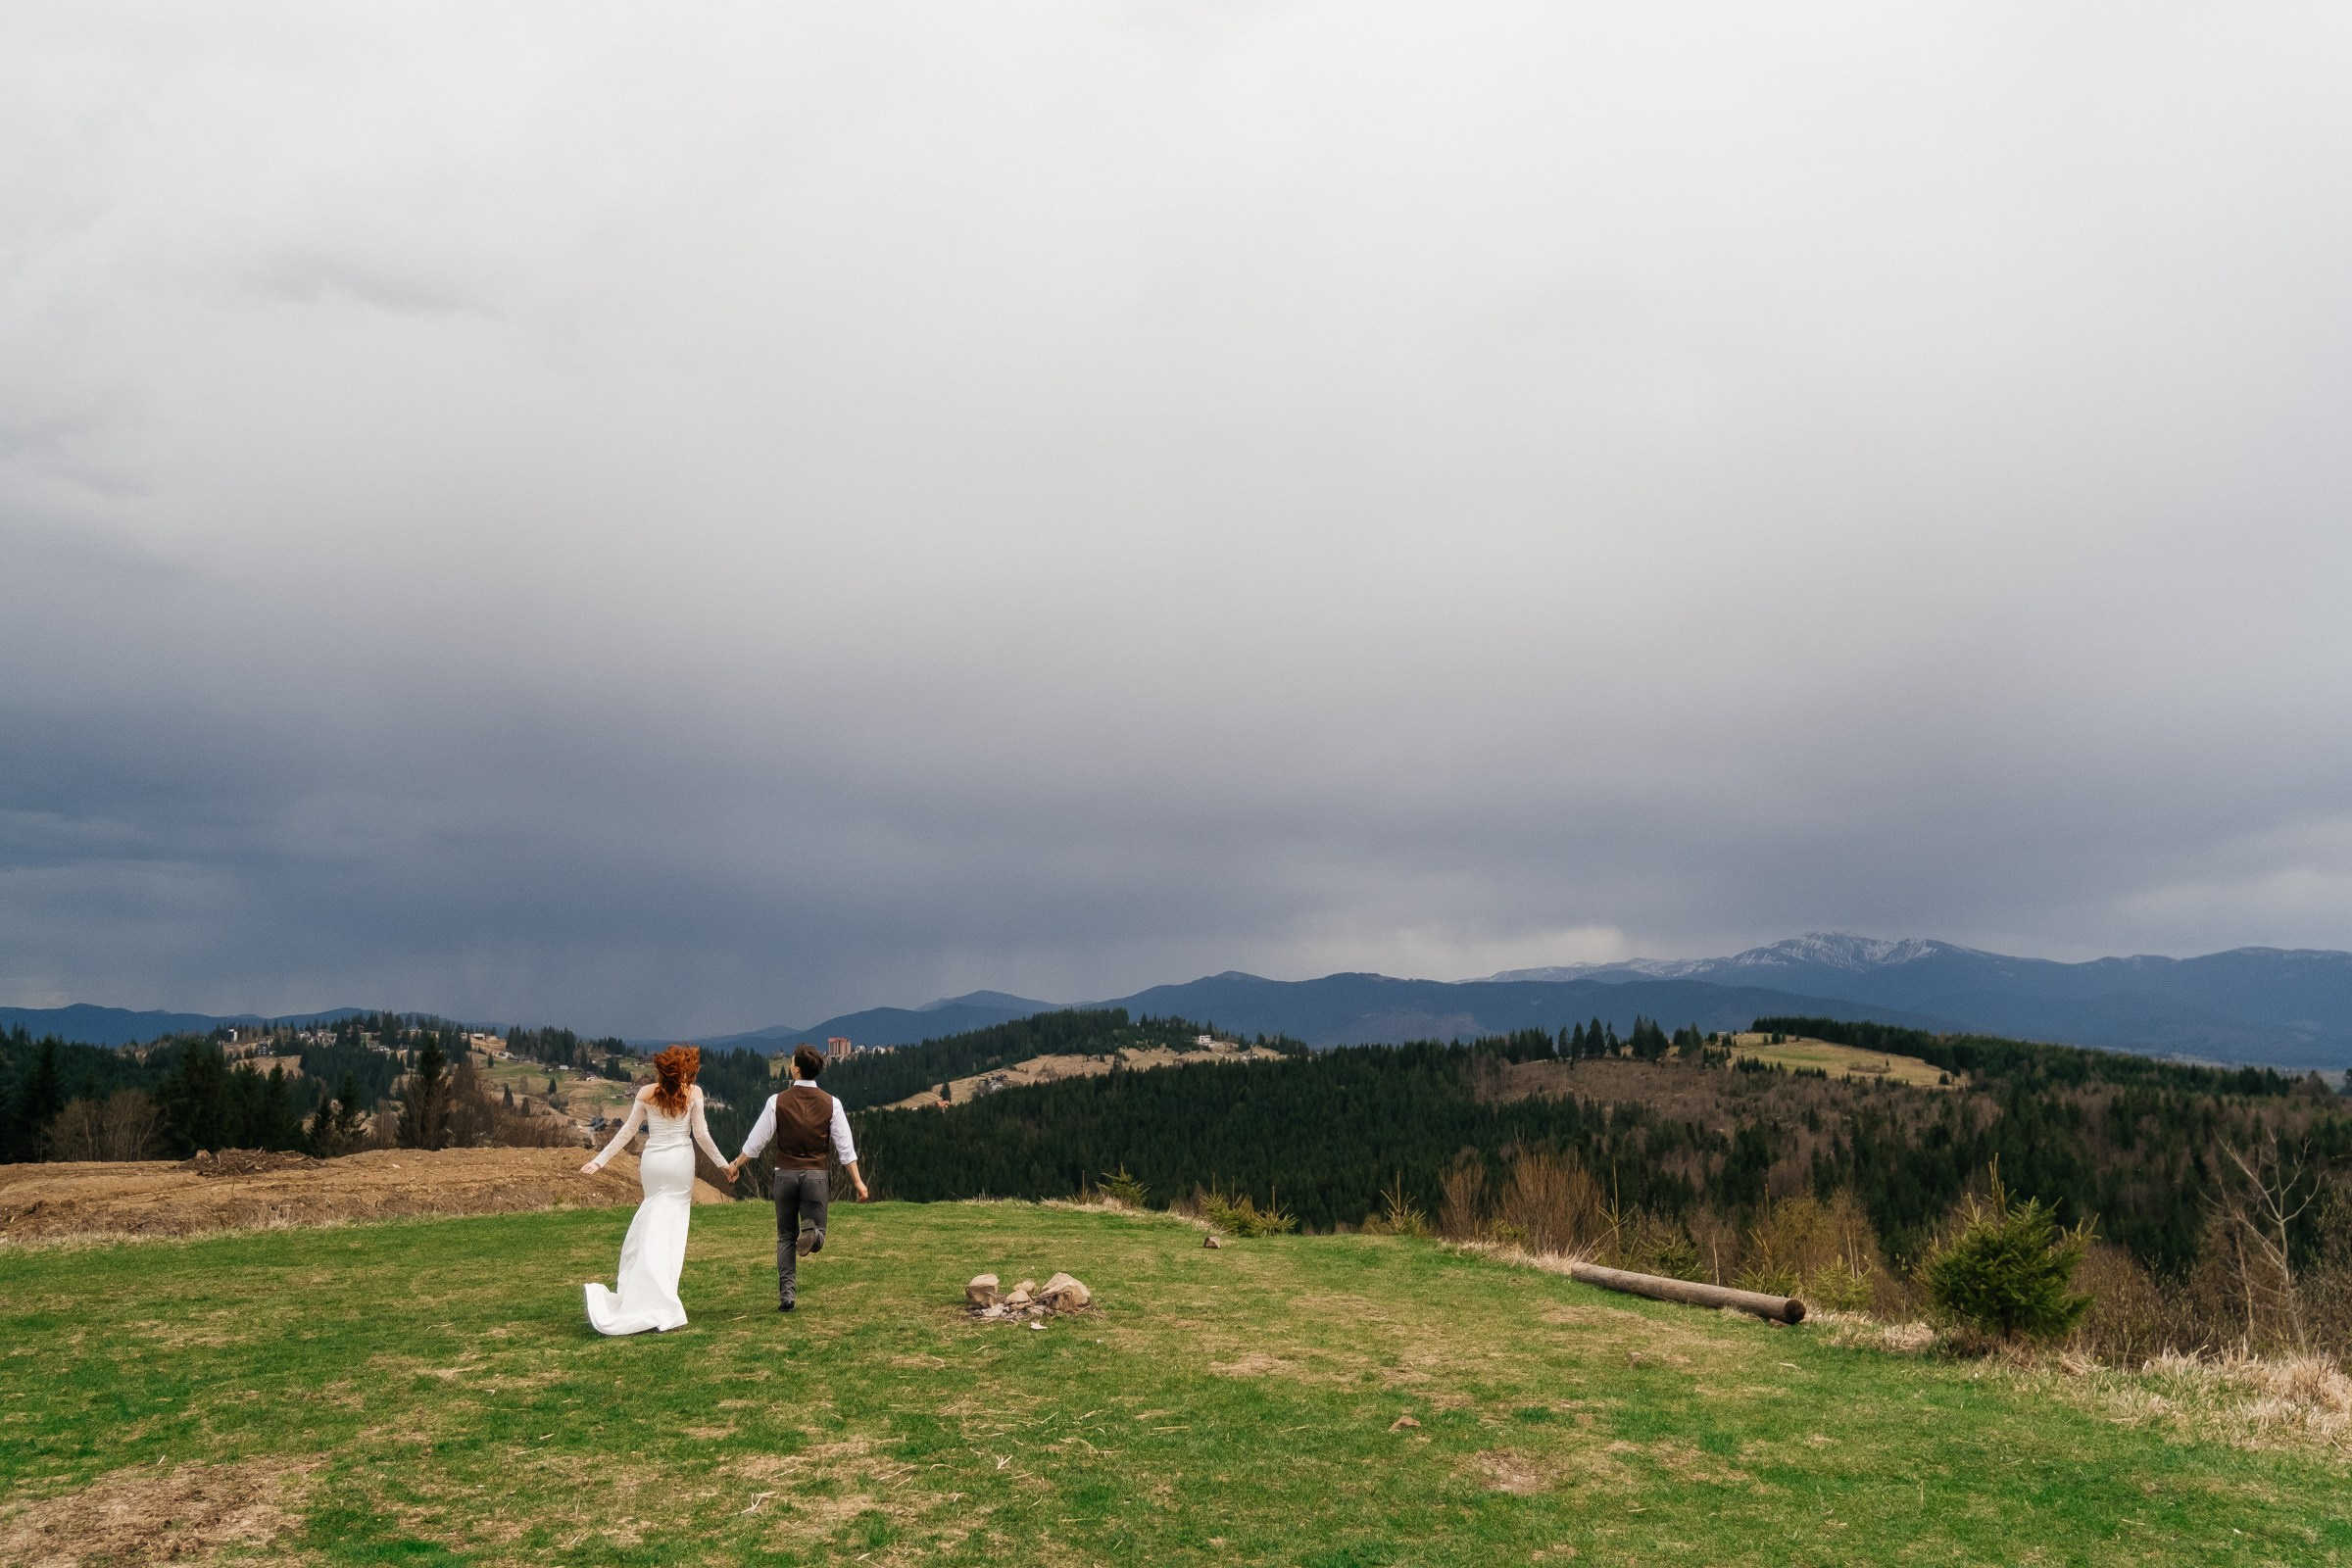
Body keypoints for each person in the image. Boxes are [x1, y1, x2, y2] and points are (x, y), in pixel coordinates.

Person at [579, 1044, 729, 1335]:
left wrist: (599, 1161)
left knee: (651, 1217)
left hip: (652, 1162)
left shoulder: (645, 1093)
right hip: (680, 1162)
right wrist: (725, 1165)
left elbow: (627, 1131)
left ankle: (645, 1287)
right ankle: (661, 1292)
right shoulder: (694, 1093)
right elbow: (701, 1135)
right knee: (671, 1228)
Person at [727, 1044, 868, 1311]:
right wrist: (858, 1182)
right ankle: (812, 1234)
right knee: (819, 1232)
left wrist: (736, 1164)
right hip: (816, 1175)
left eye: (792, 1062)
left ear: (797, 1070)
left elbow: (756, 1142)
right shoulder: (832, 1104)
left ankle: (787, 1295)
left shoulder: (777, 1101)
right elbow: (845, 1148)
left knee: (785, 1236)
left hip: (785, 1175)